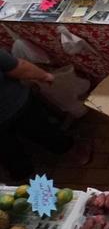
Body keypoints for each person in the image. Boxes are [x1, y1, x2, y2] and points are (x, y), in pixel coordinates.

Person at [0, 47, 85, 182]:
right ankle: (76, 154)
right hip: (15, 104)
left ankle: (25, 182)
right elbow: (18, 67)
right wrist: (44, 75)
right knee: (44, 131)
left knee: (9, 153)